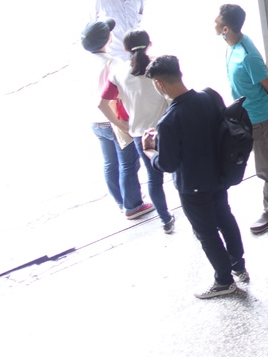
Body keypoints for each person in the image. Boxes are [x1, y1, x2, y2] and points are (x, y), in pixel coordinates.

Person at [142, 55, 248, 299]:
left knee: (207, 233)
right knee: (225, 217)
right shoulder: (209, 96)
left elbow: (166, 163)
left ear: (159, 83)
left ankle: (224, 281)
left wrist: (150, 149)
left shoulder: (168, 121)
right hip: (219, 176)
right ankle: (239, 265)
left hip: (193, 187)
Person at [214, 4, 268, 234]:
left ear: (226, 28)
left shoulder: (246, 55)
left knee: (265, 168)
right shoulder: (232, 43)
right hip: (249, 115)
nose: (214, 24)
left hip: (259, 119)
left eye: (217, 21)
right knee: (267, 151)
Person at [105, 29, 175, 233]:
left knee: (154, 179)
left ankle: (165, 219)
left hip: (140, 135)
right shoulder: (159, 65)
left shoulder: (118, 73)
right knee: (180, 172)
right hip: (166, 128)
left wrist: (120, 125)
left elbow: (102, 103)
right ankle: (193, 214)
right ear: (149, 44)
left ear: (125, 49)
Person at [83, 17, 150, 220]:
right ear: (107, 39)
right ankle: (133, 205)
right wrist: (121, 122)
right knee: (128, 163)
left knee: (109, 163)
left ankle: (122, 201)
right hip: (113, 119)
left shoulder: (83, 61)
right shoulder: (113, 63)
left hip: (95, 121)